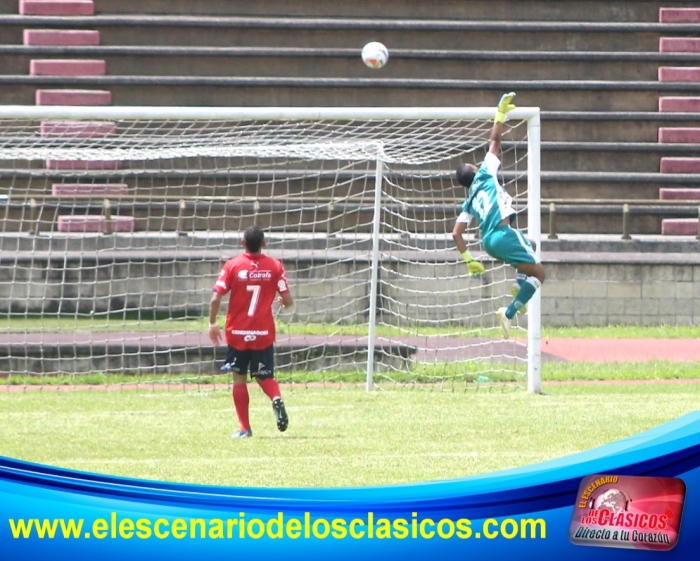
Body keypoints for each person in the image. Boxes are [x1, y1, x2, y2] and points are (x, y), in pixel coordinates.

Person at [451, 92, 545, 340]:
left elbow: (456, 233)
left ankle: (518, 285)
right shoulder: (485, 174)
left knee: (531, 244)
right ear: (474, 169)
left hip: (489, 242)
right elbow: (494, 141)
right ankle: (510, 312)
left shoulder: (469, 200)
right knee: (540, 274)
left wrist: (469, 259)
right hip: (502, 234)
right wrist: (499, 115)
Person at [208, 225, 294, 438]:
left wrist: (212, 323)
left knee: (239, 378)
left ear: (243, 243)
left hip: (237, 333)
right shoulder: (275, 266)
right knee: (265, 375)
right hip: (263, 333)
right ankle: (276, 398)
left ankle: (245, 428)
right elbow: (289, 301)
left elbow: (215, 298)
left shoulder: (232, 266)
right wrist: (283, 302)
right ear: (264, 244)